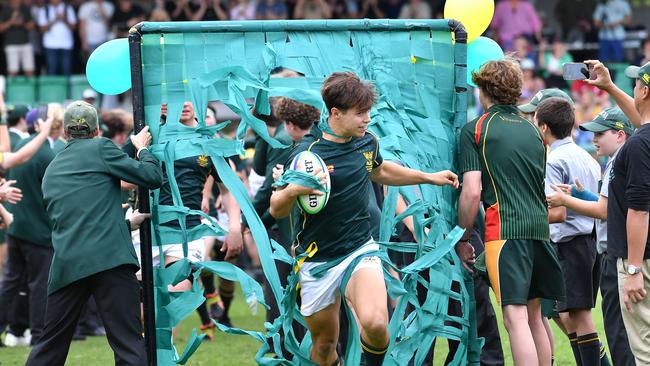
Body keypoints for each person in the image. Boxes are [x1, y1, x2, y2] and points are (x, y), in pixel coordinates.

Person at [270, 72, 458, 366]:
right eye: (360, 113)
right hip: (317, 261)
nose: (367, 119)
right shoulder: (307, 153)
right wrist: (294, 189)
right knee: (324, 346)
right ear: (335, 113)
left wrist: (428, 177)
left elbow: (380, 170)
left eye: (368, 111)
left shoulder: (366, 142)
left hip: (360, 250)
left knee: (375, 323)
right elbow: (276, 208)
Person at [25, 101, 162, 365]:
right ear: (97, 130)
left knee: (49, 346)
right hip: (110, 260)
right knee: (128, 343)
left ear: (65, 132)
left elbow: (73, 222)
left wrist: (124, 224)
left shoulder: (52, 169)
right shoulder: (101, 147)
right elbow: (151, 176)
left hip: (68, 265)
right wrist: (143, 148)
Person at [456, 59, 565, 366]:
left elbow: (472, 191)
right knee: (534, 317)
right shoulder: (534, 131)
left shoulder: (475, 129)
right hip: (540, 231)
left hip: (504, 232)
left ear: (483, 89)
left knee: (514, 318)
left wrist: (463, 236)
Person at [546, 106, 636, 366]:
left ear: (620, 135)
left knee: (620, 333)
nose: (594, 139)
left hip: (614, 254)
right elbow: (609, 204)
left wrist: (564, 199)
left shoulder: (617, 162)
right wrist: (579, 195)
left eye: (601, 133)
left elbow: (603, 210)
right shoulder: (612, 162)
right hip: (606, 251)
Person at [534, 97, 605, 366]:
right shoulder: (585, 157)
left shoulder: (554, 160)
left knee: (579, 315)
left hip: (571, 242)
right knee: (569, 316)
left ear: (543, 127)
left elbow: (558, 212)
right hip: (589, 239)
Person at [597, 61, 650, 365]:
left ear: (644, 90)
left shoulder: (640, 145)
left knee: (642, 351)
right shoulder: (643, 139)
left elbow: (639, 210)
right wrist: (608, 86)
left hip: (642, 261)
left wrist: (632, 271)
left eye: (636, 84)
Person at [0, 105, 64, 347]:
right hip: (38, 230)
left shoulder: (21, 147)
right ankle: (38, 335)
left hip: (16, 227)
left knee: (9, 283)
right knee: (39, 285)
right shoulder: (47, 155)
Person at [36, 0, 77, 76]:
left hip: (66, 44)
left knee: (66, 70)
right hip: (50, 44)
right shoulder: (44, 9)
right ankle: (53, 88)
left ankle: (67, 88)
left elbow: (74, 28)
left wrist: (64, 19)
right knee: (52, 70)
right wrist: (54, 20)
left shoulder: (68, 8)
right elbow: (42, 29)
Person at [0, 0, 35, 77]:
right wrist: (11, 22)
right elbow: (1, 28)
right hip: (11, 44)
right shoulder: (5, 9)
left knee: (29, 70)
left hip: (25, 43)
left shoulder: (25, 8)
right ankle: (13, 89)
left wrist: (22, 23)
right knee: (13, 71)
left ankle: (29, 88)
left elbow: (31, 27)